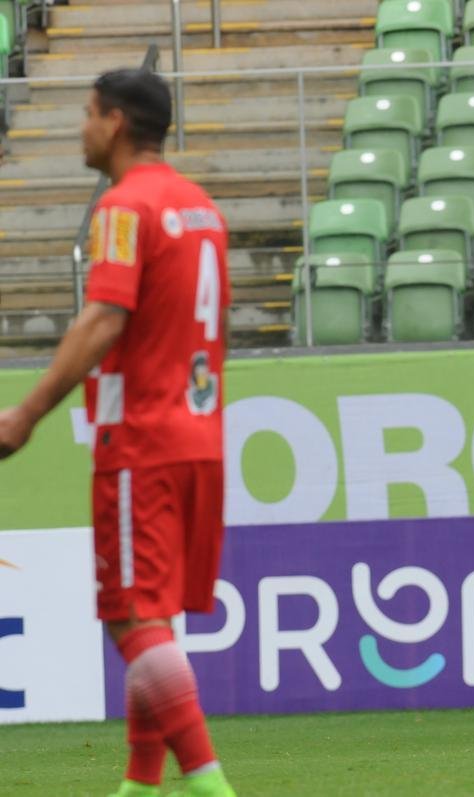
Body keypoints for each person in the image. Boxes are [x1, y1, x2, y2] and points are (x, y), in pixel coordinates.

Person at [0, 68, 236, 796]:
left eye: (87, 112)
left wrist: (26, 412)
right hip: (198, 434)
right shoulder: (201, 209)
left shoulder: (124, 208)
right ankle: (139, 784)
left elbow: (105, 317)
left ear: (116, 122)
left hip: (139, 439)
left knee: (132, 616)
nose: (80, 126)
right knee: (154, 616)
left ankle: (210, 786)